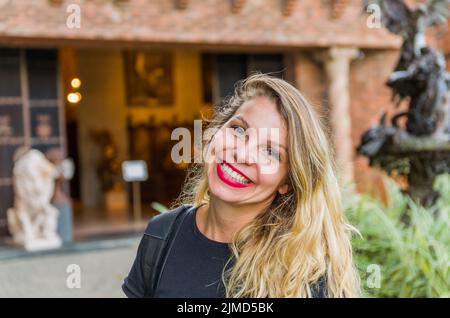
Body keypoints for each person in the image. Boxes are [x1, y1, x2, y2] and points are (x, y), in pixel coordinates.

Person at [122, 73, 360, 298]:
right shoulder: (162, 234)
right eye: (238, 130)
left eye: (270, 152)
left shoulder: (308, 270)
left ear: (287, 182)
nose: (242, 153)